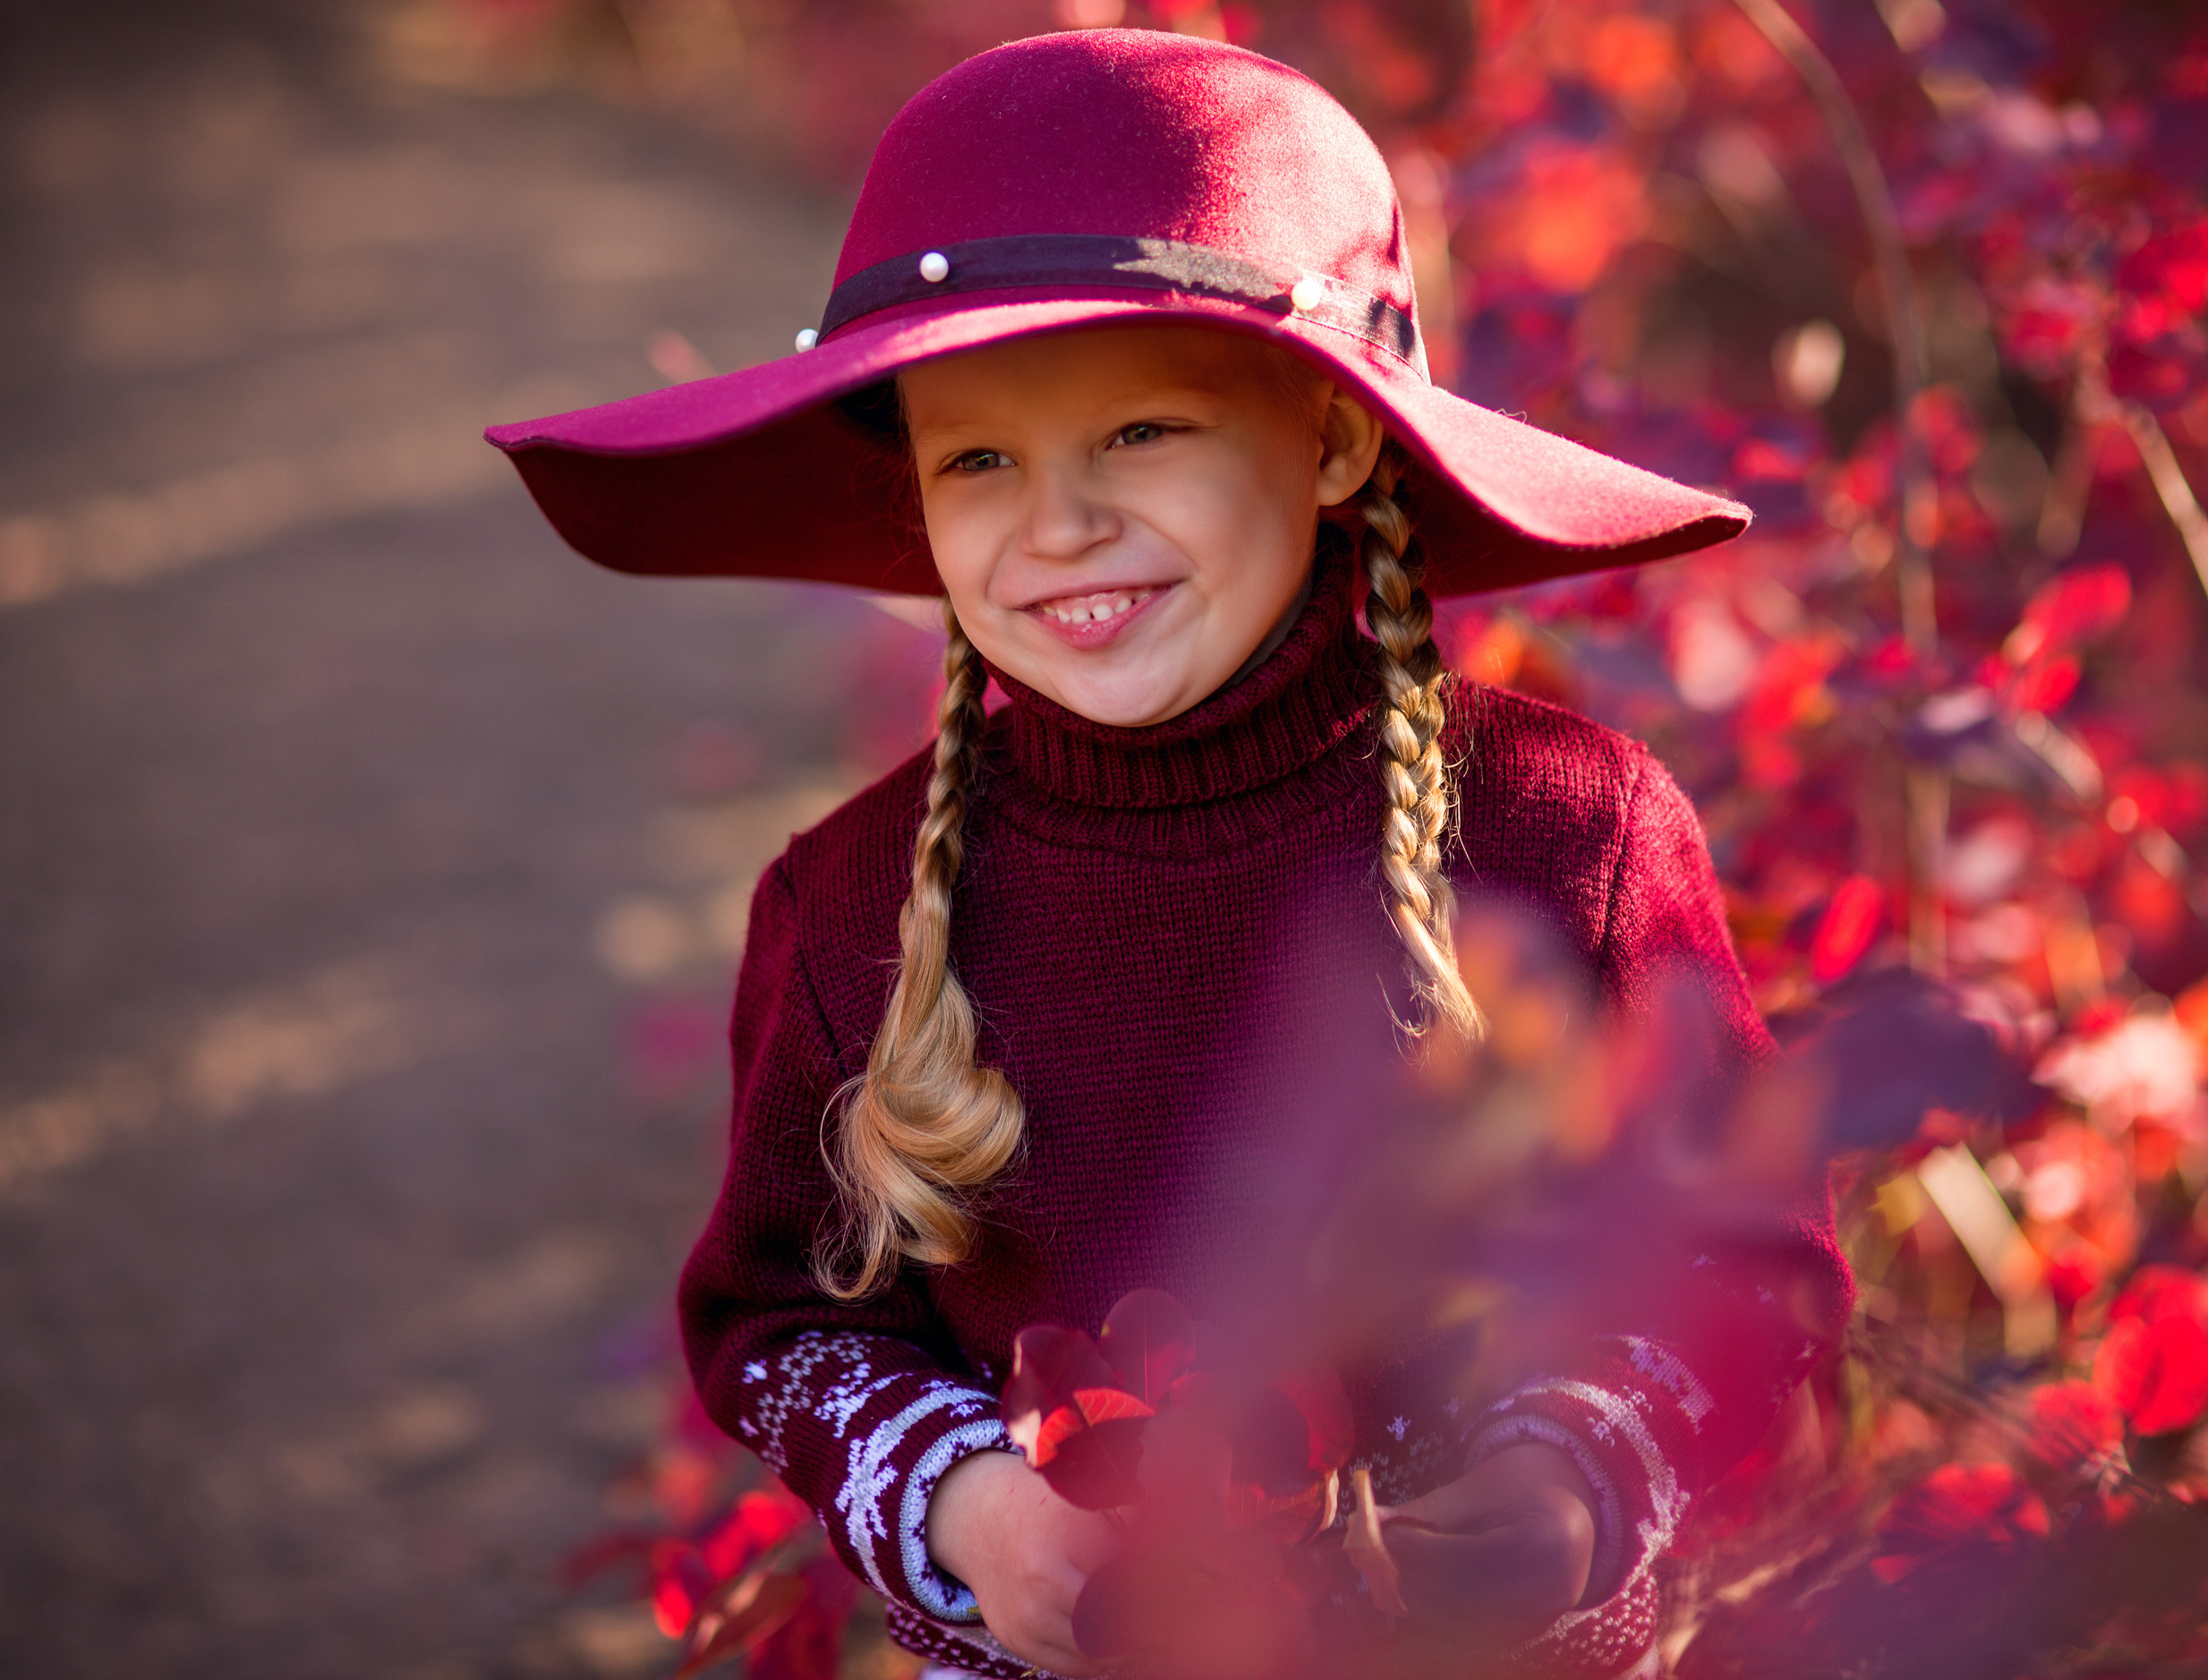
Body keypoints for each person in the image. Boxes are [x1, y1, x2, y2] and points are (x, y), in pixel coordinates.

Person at [489, 29, 1852, 1680]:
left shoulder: (1574, 837)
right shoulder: (849, 905)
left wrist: (1560, 1491)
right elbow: (779, 1326)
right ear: (914, 498)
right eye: (979, 456)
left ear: (1336, 442)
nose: (1058, 521)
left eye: (1144, 430)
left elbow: (1748, 1269)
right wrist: (978, 1511)